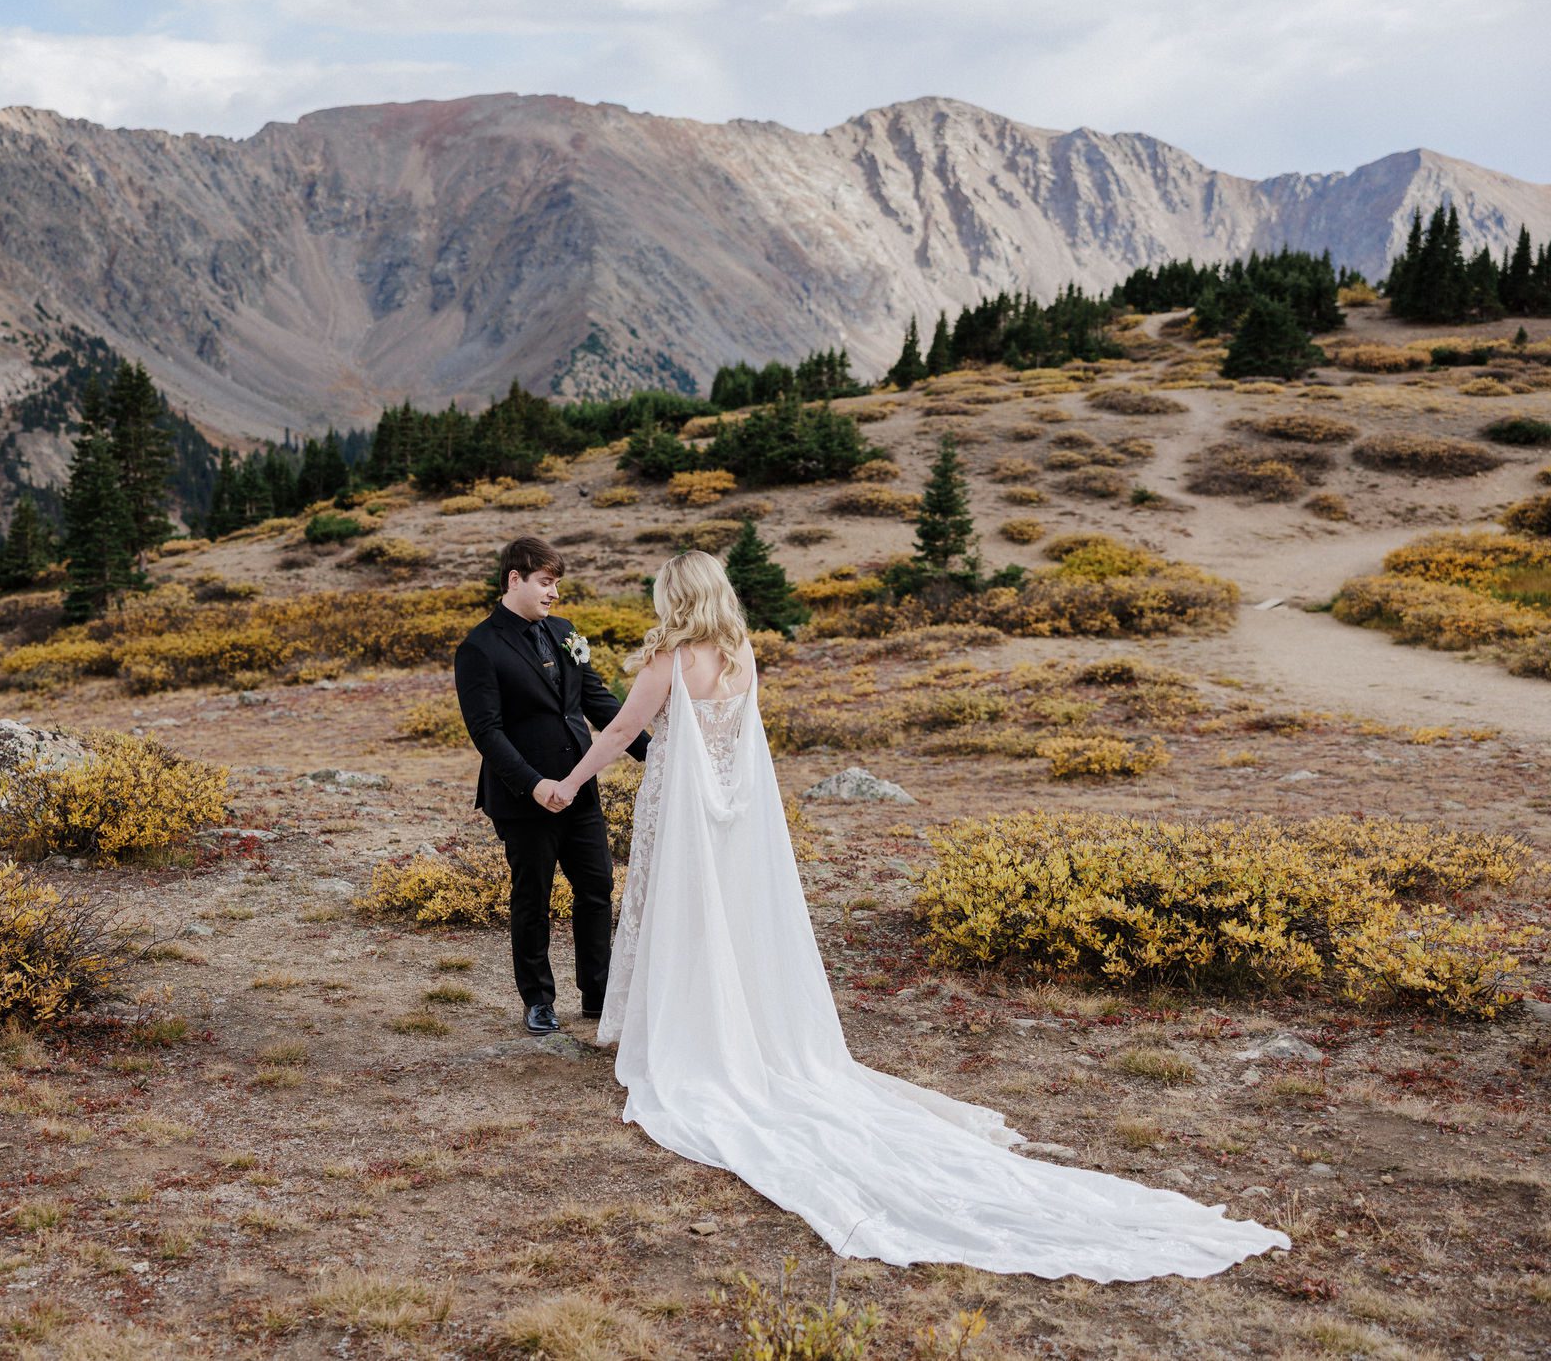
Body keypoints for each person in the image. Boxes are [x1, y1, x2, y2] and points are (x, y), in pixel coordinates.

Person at [546, 549, 1290, 1281]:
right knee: (732, 928)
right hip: (736, 824)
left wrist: (568, 782)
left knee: (690, 923)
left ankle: (697, 1039)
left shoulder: (668, 661)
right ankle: (738, 1030)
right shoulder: (741, 654)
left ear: (673, 597)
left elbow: (617, 735)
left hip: (687, 819)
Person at [453, 537, 648, 1035]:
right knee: (532, 896)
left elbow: (600, 703)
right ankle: (537, 999)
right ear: (514, 579)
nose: (554, 593)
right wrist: (534, 784)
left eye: (557, 583)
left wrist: (656, 753)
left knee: (597, 889)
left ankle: (598, 994)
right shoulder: (478, 647)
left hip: (580, 788)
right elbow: (486, 732)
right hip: (524, 796)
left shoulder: (564, 631)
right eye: (546, 582)